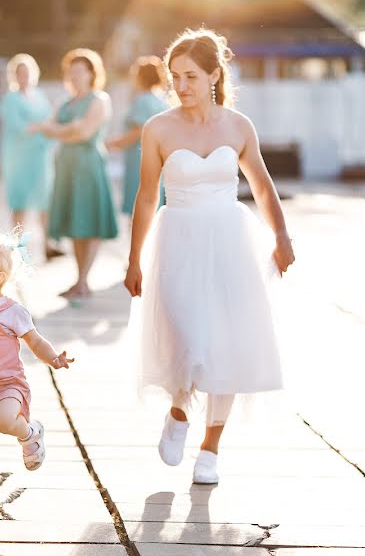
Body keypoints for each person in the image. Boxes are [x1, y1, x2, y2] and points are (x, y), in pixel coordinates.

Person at [123, 28, 295, 485]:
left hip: (230, 240)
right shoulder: (157, 128)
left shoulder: (238, 127)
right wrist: (133, 259)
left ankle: (211, 447)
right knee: (189, 334)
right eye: (174, 77)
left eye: (191, 77)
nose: (181, 86)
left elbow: (261, 184)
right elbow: (145, 197)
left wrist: (281, 236)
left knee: (229, 341)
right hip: (177, 238)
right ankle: (179, 409)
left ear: (215, 75)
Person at [0, 228, 73, 518]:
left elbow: (34, 340)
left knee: (6, 420)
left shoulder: (12, 311)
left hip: (6, 384)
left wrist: (53, 358)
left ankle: (30, 433)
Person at [32, 48, 119, 299]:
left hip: (89, 165)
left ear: (92, 73)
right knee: (75, 222)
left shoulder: (100, 99)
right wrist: (69, 128)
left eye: (81, 70)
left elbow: (84, 133)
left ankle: (83, 280)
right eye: (72, 71)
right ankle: (78, 278)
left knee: (90, 221)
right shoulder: (65, 101)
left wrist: (64, 129)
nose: (76, 75)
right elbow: (47, 128)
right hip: (66, 165)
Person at [0, 53, 62, 261]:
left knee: (45, 202)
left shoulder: (39, 96)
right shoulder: (11, 98)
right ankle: (20, 251)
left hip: (40, 156)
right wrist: (43, 127)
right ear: (14, 76)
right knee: (21, 206)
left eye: (27, 72)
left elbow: (50, 120)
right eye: (20, 73)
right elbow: (18, 127)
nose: (24, 76)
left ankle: (48, 244)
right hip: (19, 159)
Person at [105, 55, 169, 217]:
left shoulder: (142, 100)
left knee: (138, 210)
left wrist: (113, 144)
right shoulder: (160, 100)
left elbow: (138, 131)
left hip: (138, 160)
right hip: (157, 159)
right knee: (154, 207)